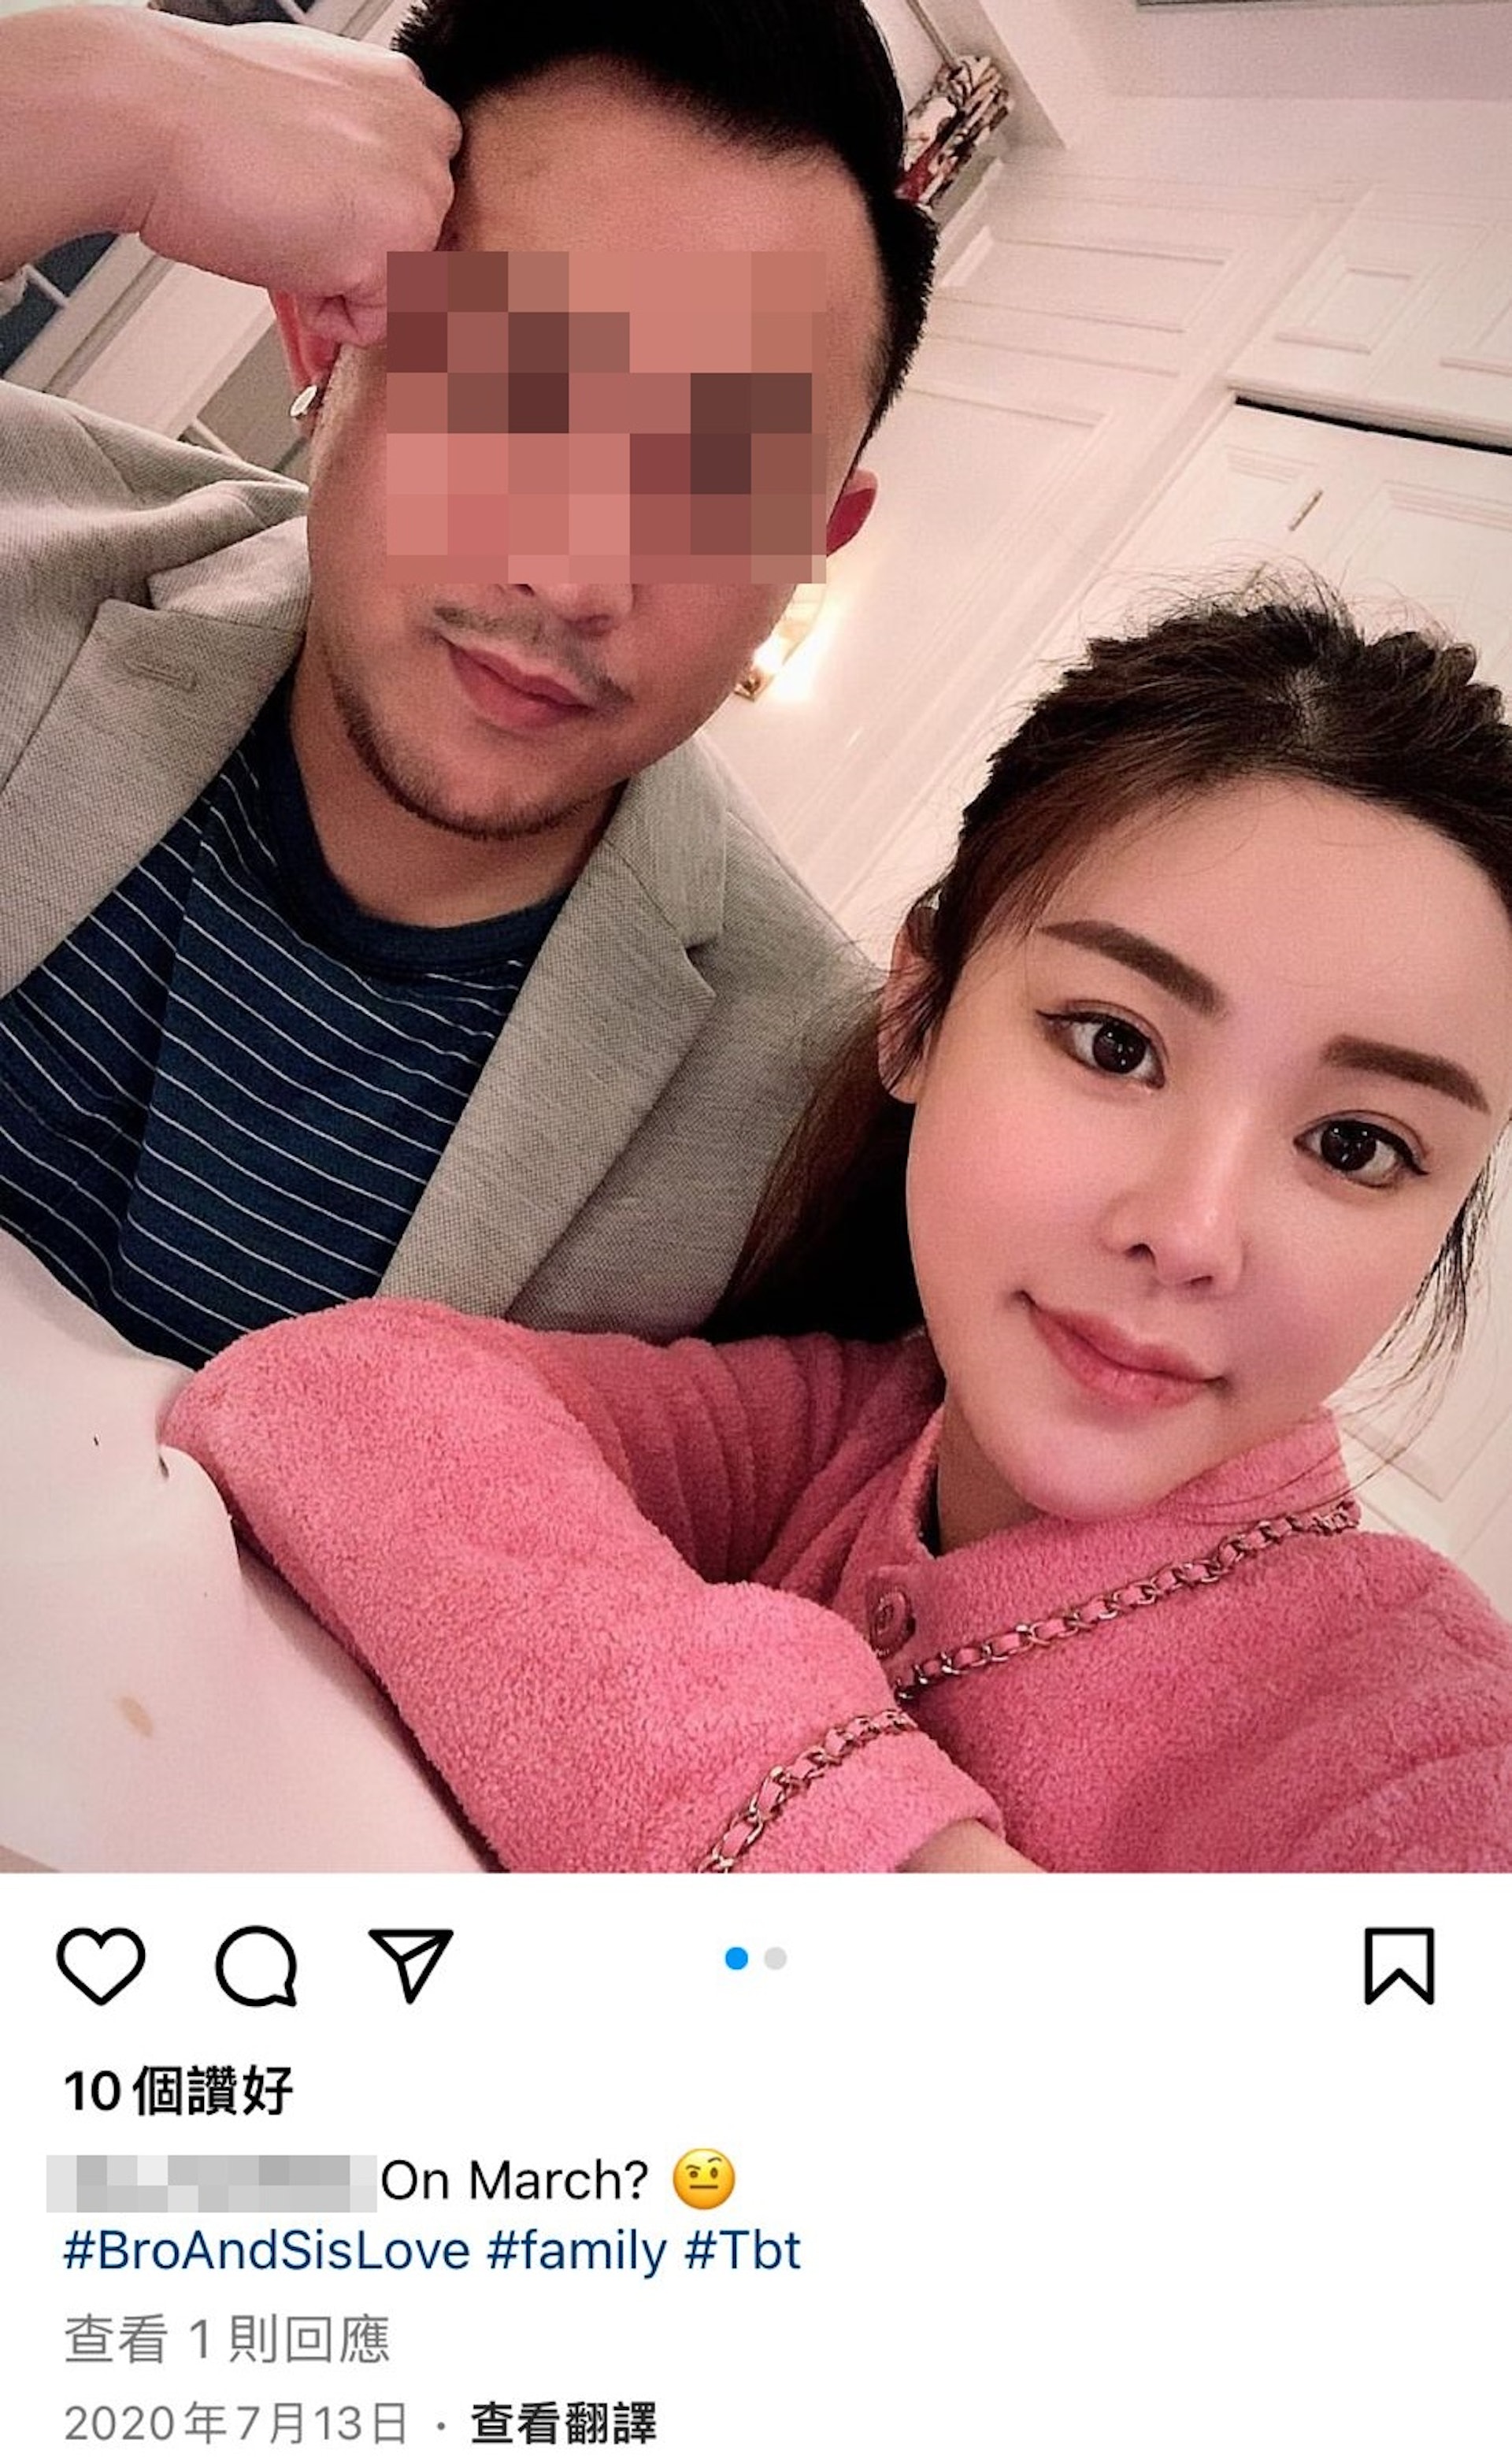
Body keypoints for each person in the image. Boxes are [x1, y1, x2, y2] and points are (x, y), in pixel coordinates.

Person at [165, 591, 1512, 1874]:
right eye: (1115, 1044)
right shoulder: (863, 1432)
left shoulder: (1420, 1745)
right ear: (918, 1009)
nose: (1192, 1232)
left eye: (1355, 1145)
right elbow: (330, 1397)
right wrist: (900, 1870)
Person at [0, 0, 932, 1365]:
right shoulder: (28, 538)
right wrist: (107, 95)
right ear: (326, 334)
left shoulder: (811, 1132)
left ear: (815, 541)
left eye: (719, 478)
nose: (575, 574)